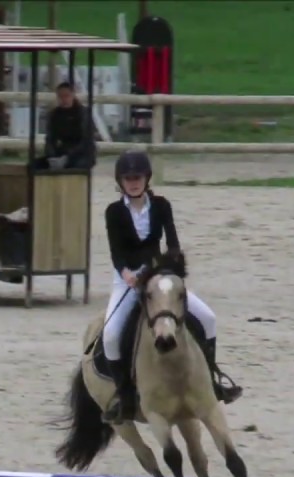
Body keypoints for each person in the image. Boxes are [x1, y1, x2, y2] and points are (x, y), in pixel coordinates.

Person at [100, 150, 241, 423]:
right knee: (110, 335)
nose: (133, 182)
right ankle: (125, 396)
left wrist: (171, 265)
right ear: (121, 181)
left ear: (147, 178)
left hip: (158, 276)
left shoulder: (162, 206)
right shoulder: (113, 212)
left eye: (137, 177)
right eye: (128, 178)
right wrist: (127, 273)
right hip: (128, 281)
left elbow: (172, 241)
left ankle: (213, 380)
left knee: (208, 318)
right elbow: (116, 252)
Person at [34, 82, 95, 171]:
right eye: (60, 96)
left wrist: (68, 157)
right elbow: (50, 138)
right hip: (62, 152)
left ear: (73, 95)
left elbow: (86, 140)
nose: (64, 99)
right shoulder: (55, 114)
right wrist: (51, 156)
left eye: (67, 96)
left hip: (82, 154)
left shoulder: (83, 113)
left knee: (72, 168)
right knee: (34, 165)